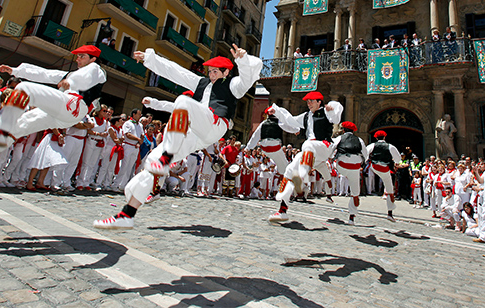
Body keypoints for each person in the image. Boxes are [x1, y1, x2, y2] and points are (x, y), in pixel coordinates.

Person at [94, 44, 261, 229]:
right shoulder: (201, 82)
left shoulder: (232, 85)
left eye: (215, 72)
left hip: (214, 125)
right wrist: (150, 59)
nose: (211, 74)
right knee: (152, 161)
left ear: (226, 72)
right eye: (210, 71)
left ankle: (168, 154)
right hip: (193, 134)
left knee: (182, 100)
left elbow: (247, 79)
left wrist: (243, 60)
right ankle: (128, 213)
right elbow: (175, 71)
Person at [0, 45, 106, 148]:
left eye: (82, 56)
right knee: (25, 122)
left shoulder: (97, 71)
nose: (78, 59)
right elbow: (44, 74)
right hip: (62, 115)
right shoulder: (69, 74)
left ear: (93, 59)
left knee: (25, 87)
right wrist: (15, 71)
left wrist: (71, 82)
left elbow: (89, 75)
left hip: (72, 108)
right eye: (78, 56)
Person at [267, 91, 343, 222]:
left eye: (311, 101)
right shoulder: (306, 116)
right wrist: (277, 111)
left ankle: (302, 177)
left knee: (307, 144)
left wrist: (333, 106)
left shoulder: (326, 112)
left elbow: (337, 117)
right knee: (290, 169)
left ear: (319, 102)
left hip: (323, 146)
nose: (309, 103)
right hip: (310, 152)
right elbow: (290, 120)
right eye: (307, 101)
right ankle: (282, 210)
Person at [331, 122, 368, 224]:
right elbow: (366, 154)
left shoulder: (340, 138)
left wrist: (330, 158)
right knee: (355, 193)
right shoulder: (359, 140)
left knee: (335, 164)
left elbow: (332, 148)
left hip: (341, 166)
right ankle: (351, 217)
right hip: (355, 168)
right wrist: (363, 163)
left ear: (343, 130)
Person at [246, 107, 298, 174]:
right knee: (285, 167)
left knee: (277, 161)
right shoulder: (279, 122)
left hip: (264, 149)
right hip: (274, 147)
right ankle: (288, 178)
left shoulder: (263, 123)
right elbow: (288, 127)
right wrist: (296, 130)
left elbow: (255, 136)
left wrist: (248, 147)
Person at [367, 130, 401, 222]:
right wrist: (396, 164)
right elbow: (398, 158)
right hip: (384, 169)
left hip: (374, 167)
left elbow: (365, 154)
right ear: (385, 137)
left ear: (376, 138)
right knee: (390, 190)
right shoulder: (390, 146)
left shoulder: (372, 145)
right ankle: (390, 213)